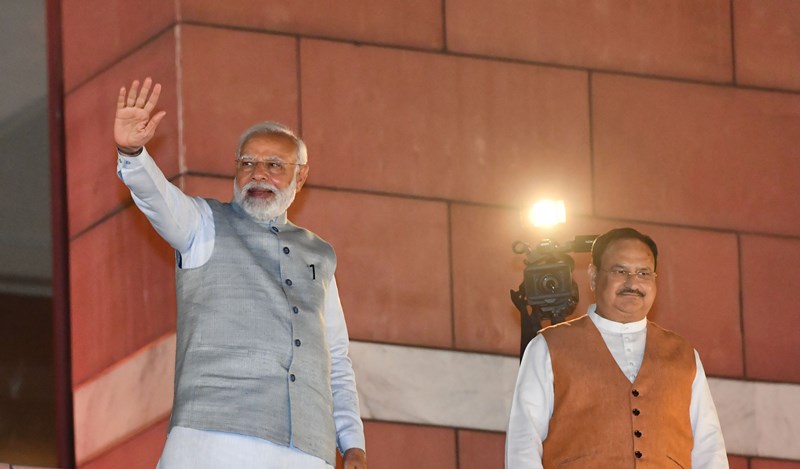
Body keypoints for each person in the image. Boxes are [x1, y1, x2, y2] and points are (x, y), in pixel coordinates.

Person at [114, 78, 367, 469]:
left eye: (274, 165)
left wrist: (352, 443)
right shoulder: (202, 225)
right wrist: (132, 153)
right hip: (213, 443)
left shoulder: (320, 255)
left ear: (300, 178)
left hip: (307, 453)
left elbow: (335, 357)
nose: (258, 174)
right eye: (247, 163)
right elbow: (158, 199)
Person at [505, 227, 728, 468]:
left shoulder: (683, 355)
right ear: (593, 276)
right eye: (620, 271)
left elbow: (709, 448)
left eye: (644, 273)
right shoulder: (548, 347)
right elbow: (523, 442)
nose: (633, 283)